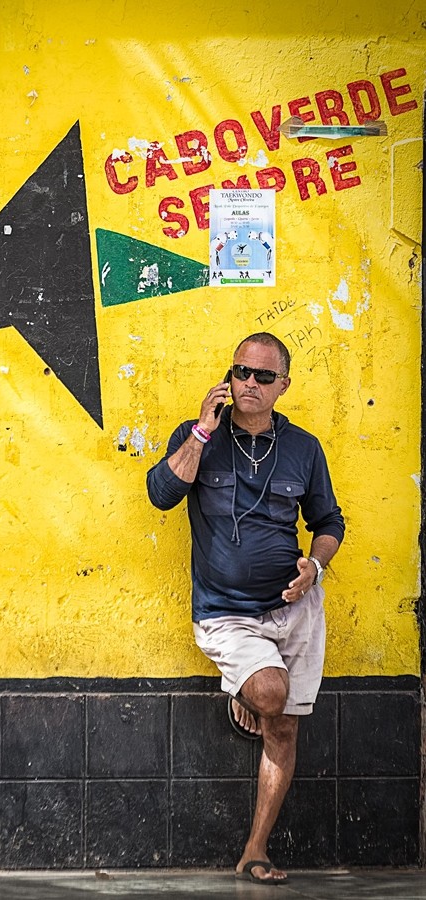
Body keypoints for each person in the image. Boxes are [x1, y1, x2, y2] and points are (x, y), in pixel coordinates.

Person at [146, 332, 344, 886]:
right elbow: (161, 494)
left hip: (293, 608)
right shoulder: (197, 436)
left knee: (283, 729)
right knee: (270, 694)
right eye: (240, 372)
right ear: (228, 377)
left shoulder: (303, 448)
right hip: (225, 610)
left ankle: (255, 850)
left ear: (284, 385)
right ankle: (245, 689)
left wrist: (315, 566)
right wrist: (201, 432)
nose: (249, 383)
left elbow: (328, 521)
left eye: (263, 376)